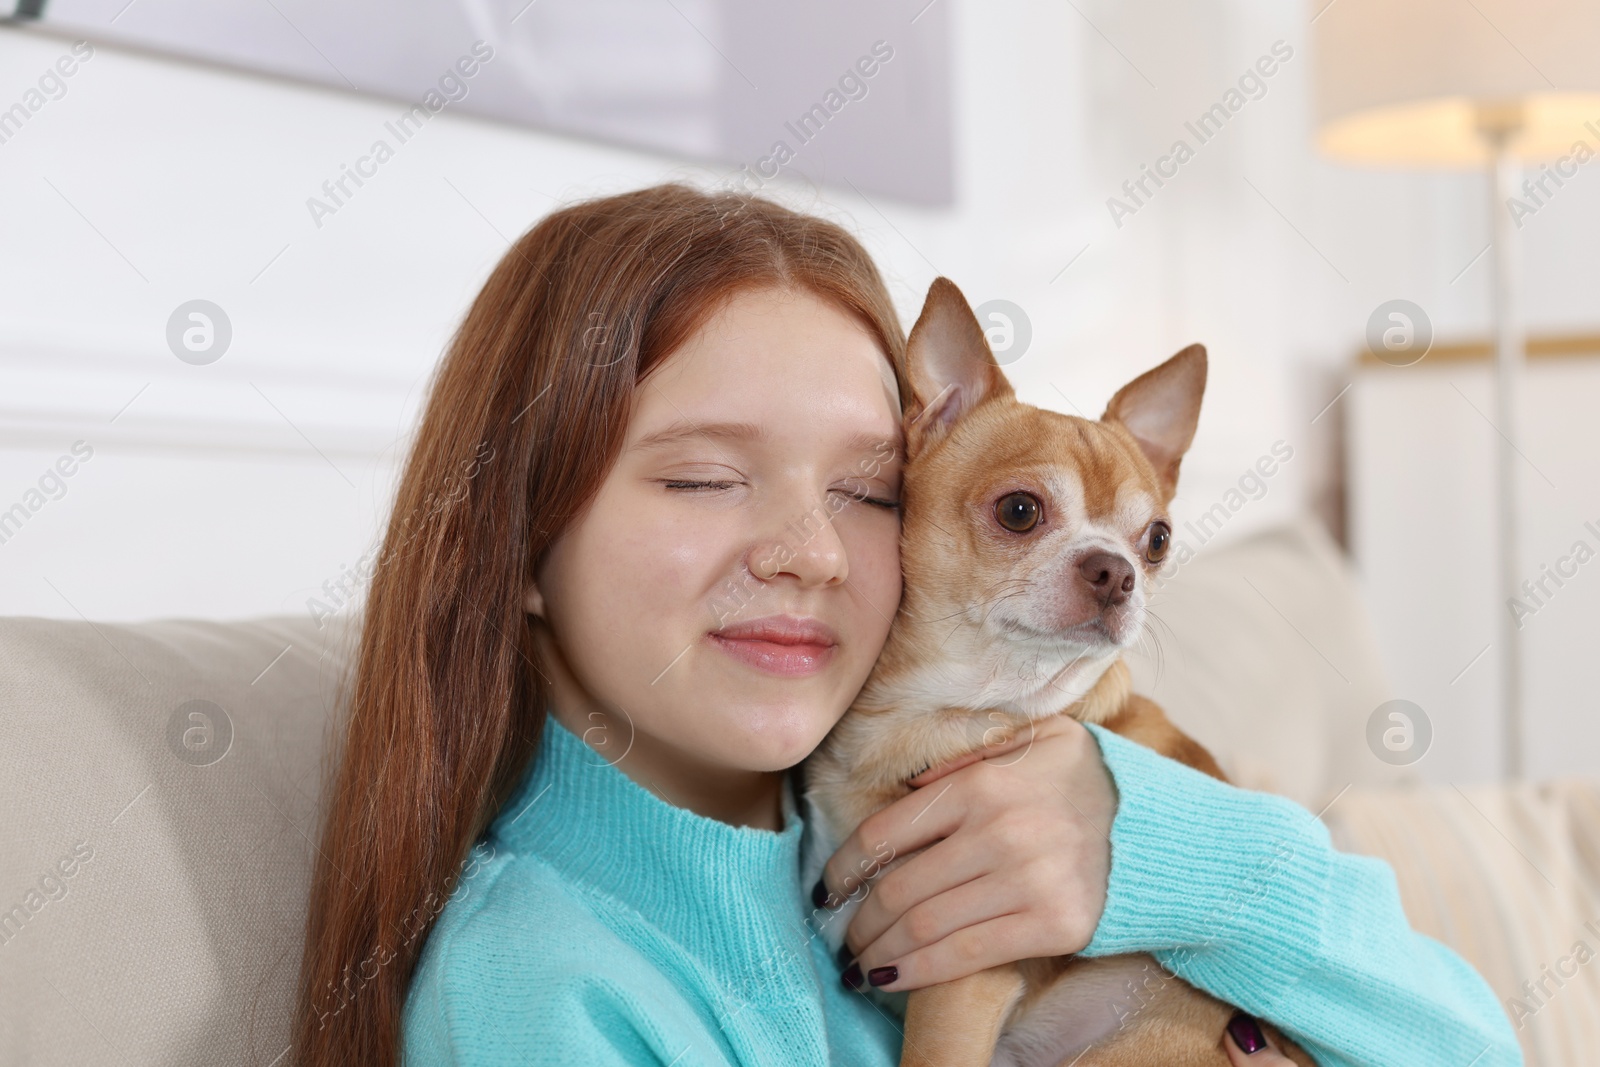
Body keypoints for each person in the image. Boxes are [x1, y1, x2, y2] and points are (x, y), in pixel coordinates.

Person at [290, 183, 1522, 1067]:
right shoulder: (545, 986)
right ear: (516, 543)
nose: (811, 550)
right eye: (704, 476)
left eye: (868, 491)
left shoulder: (975, 796)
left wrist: (1165, 857)